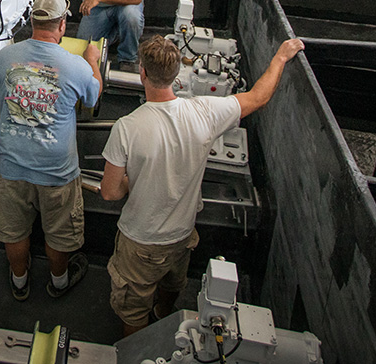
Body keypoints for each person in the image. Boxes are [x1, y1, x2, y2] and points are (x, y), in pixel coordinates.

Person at [100, 35, 305, 336]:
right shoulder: (206, 112)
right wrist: (281, 57)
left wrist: (135, 180)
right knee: (172, 284)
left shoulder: (126, 128)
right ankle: (162, 313)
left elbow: (110, 192)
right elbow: (259, 96)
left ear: (142, 72)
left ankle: (139, 348)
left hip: (140, 241)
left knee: (132, 306)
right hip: (182, 235)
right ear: (174, 75)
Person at [0, 0, 104, 301]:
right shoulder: (75, 66)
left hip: (11, 166)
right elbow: (93, 98)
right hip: (57, 172)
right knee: (59, 233)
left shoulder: (4, 58)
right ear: (62, 25)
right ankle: (59, 283)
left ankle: (19, 282)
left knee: (15, 231)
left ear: (32, 22)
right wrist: (93, 63)